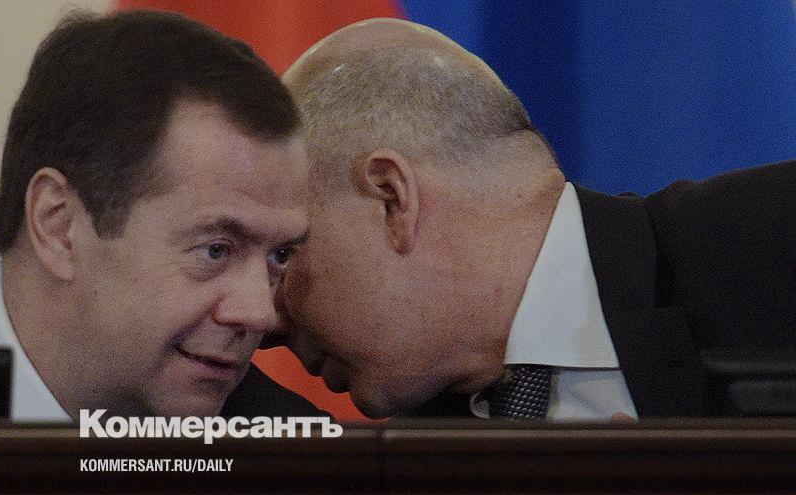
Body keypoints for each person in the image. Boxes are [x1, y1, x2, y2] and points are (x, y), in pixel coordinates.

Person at [276, 18, 796, 420]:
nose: (266, 316)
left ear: (392, 199)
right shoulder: (409, 469)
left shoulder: (775, 237)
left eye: (282, 252)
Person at [0, 10, 320, 420]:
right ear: (59, 225)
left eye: (279, 256)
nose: (260, 312)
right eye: (216, 250)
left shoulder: (301, 462)